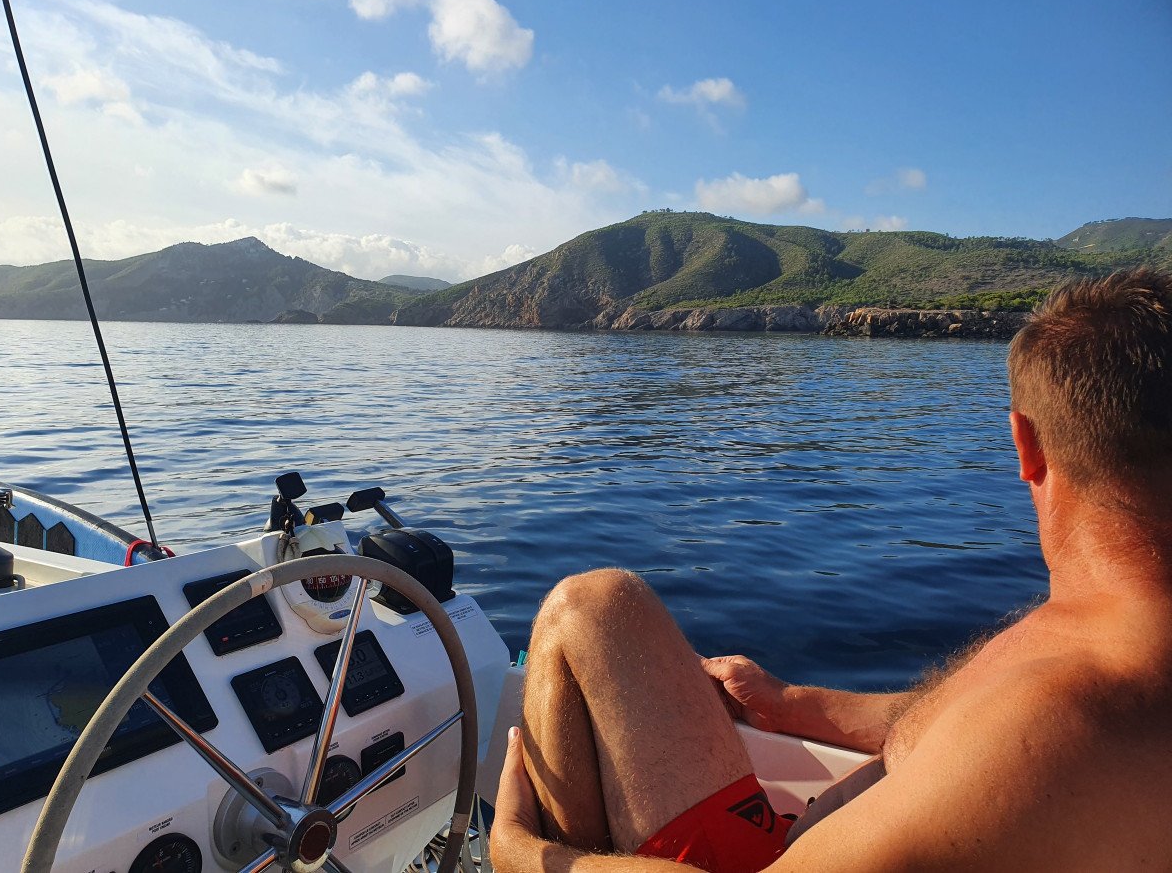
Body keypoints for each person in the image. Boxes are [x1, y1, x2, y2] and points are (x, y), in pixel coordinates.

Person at [489, 268, 1172, 872]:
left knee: (578, 611)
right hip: (806, 840)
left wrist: (526, 856)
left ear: (1027, 445)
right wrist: (787, 701)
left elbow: (1004, 740)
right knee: (606, 606)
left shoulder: (1057, 727)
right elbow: (946, 723)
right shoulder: (1104, 638)